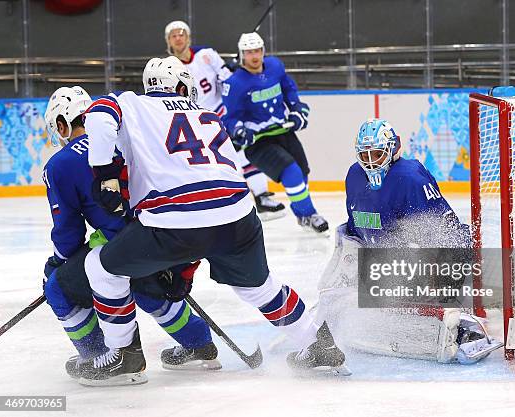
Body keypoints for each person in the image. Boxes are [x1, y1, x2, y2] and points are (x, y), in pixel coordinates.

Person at [78, 56, 349, 386]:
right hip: (238, 216)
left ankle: (125, 355)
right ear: (182, 86)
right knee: (259, 288)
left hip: (174, 223)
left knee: (101, 268)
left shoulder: (133, 105)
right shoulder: (209, 115)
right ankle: (318, 345)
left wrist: (105, 174)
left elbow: (98, 114)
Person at [41, 86, 220, 381]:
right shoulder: (132, 139)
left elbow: (69, 232)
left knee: (59, 288)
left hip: (126, 246)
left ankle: (103, 357)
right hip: (168, 234)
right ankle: (200, 345)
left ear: (61, 124)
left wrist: (57, 263)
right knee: (148, 285)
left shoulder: (60, 164)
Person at [315, 118, 502, 364]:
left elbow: (446, 233)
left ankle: (460, 315)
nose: (370, 161)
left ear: (393, 151)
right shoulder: (354, 175)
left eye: (377, 154)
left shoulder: (410, 178)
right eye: (365, 154)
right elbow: (355, 227)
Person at [164, 20, 285, 219]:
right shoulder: (168, 67)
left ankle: (262, 196)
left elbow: (226, 78)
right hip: (191, 123)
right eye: (173, 36)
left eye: (181, 33)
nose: (178, 38)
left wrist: (233, 70)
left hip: (219, 116)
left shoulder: (206, 55)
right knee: (200, 164)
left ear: (188, 37)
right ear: (168, 41)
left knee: (244, 154)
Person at [221, 32, 329, 233]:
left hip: (283, 132)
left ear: (263, 51)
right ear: (241, 54)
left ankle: (303, 215)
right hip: (258, 143)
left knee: (302, 173)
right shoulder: (234, 84)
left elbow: (288, 88)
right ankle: (310, 213)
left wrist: (297, 109)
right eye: (249, 52)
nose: (254, 56)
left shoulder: (275, 66)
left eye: (257, 51)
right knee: (292, 172)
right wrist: (239, 130)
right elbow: (231, 118)